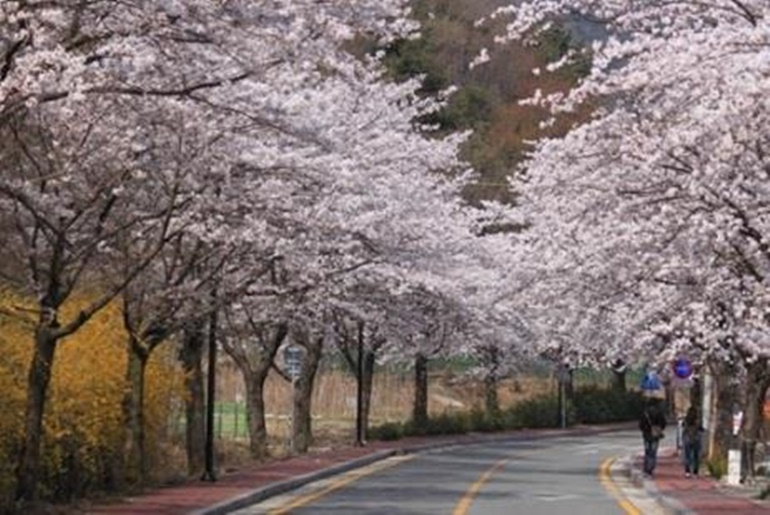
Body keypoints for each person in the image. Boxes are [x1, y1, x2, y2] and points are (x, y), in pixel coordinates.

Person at [639, 398, 667, 478]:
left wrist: (645, 430)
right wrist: (659, 429)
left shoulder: (645, 413)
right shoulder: (659, 413)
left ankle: (646, 469)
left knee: (647, 452)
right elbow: (664, 423)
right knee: (653, 453)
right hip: (655, 436)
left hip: (646, 435)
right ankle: (651, 469)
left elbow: (641, 425)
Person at [682, 405, 703, 477]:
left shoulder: (686, 420)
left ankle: (687, 471)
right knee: (696, 456)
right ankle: (695, 472)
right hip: (696, 439)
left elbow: (683, 426)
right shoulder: (698, 420)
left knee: (687, 456)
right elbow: (701, 429)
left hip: (687, 439)